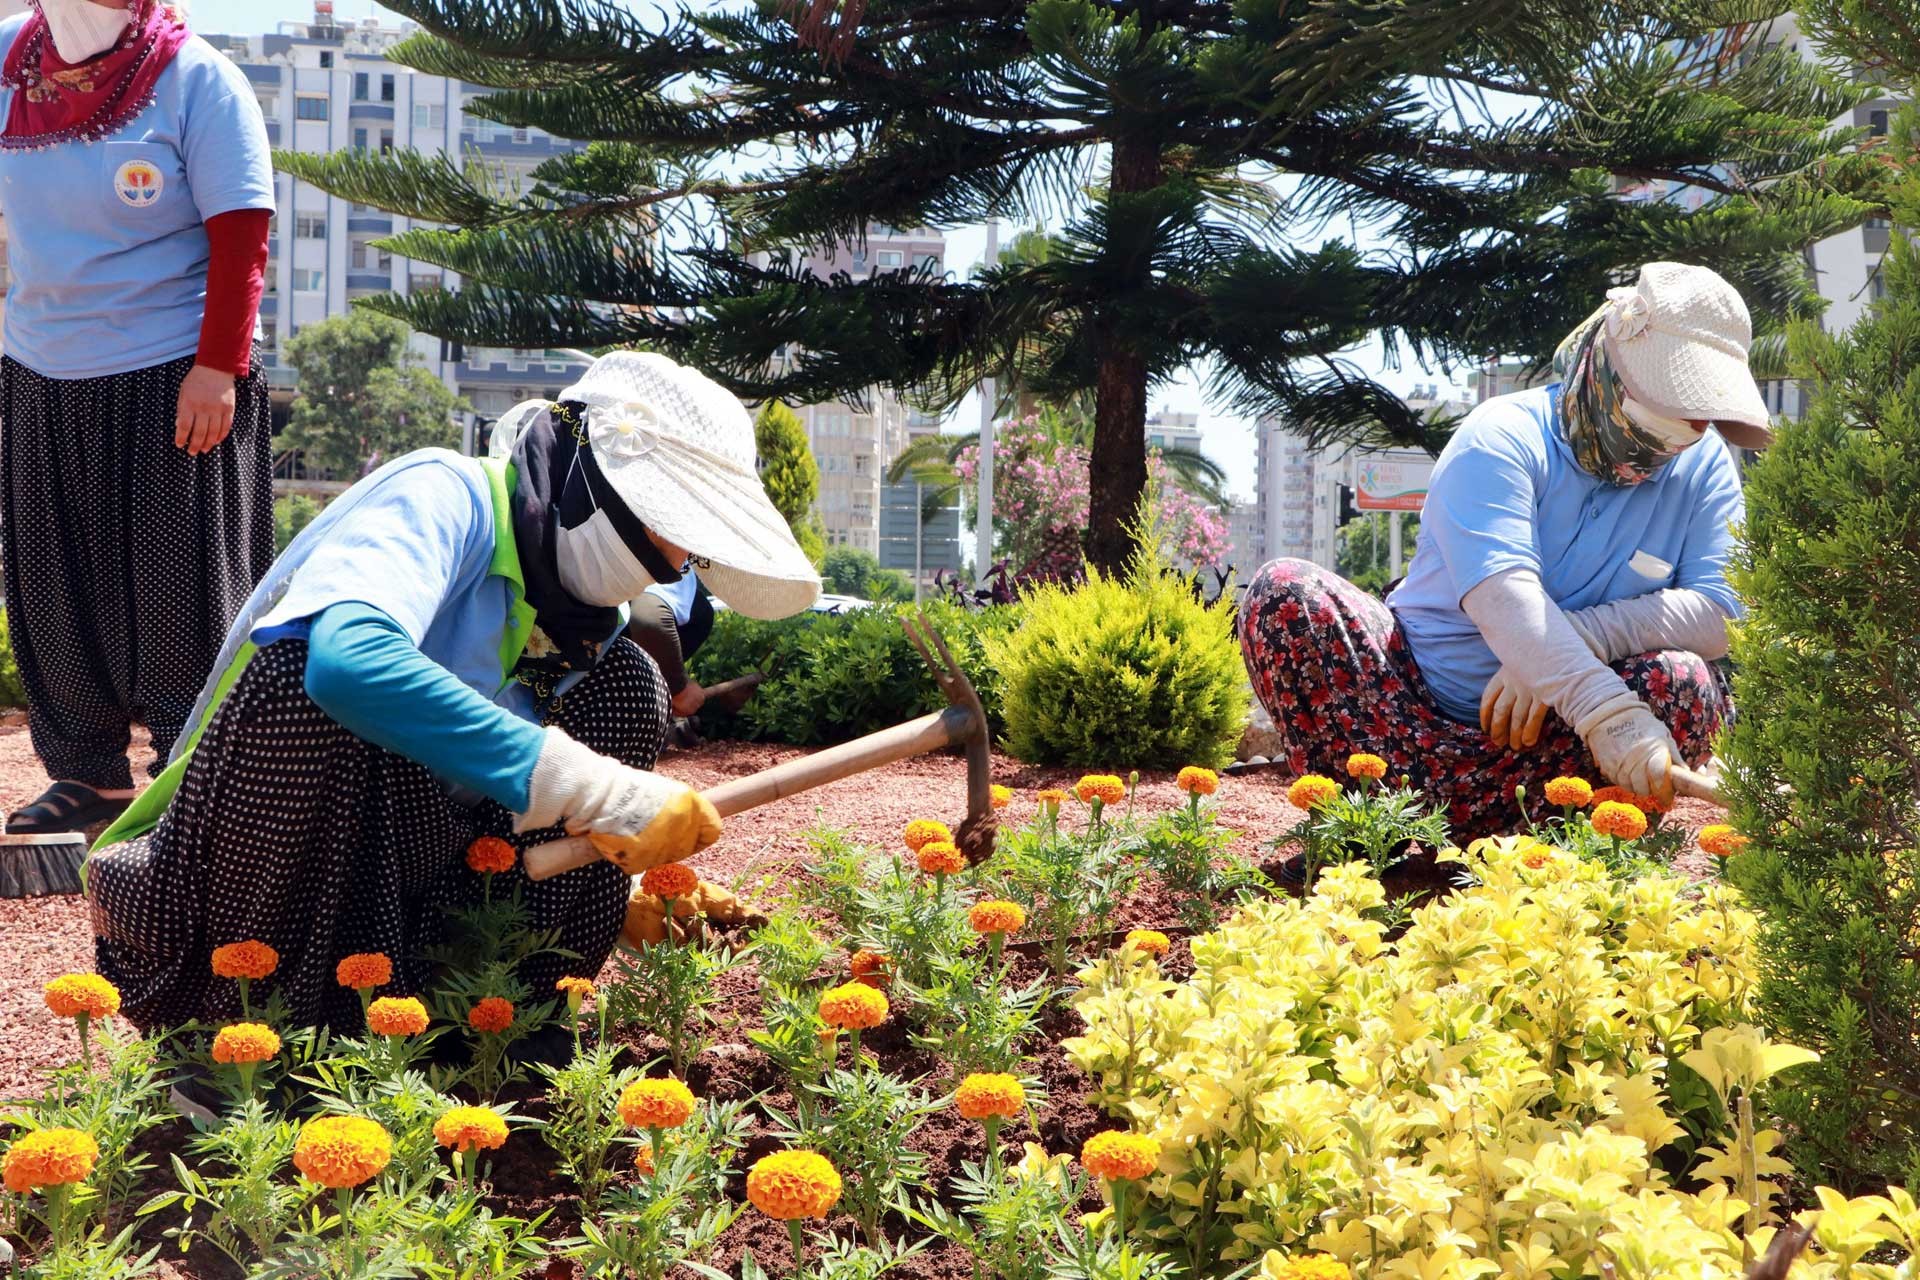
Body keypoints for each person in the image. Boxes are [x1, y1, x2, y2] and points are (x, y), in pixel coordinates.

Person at [85, 352, 821, 1048]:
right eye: (677, 531)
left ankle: (492, 1026)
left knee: (629, 688)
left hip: (391, 899)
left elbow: (475, 790)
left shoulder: (587, 631)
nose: (678, 562)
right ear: (599, 485)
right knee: (300, 677)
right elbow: (347, 665)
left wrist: (616, 870)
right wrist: (593, 788)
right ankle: (237, 1044)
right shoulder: (446, 495)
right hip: (202, 902)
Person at [1240, 262, 1768, 836]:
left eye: (1694, 420)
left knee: (1683, 680)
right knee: (1284, 594)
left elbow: (1726, 611)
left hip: (1552, 757)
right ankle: (1363, 833)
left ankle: (1564, 856)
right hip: (1404, 726)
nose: (1672, 438)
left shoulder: (1706, 466)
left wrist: (1574, 647)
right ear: (1608, 366)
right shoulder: (1502, 436)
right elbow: (1503, 597)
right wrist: (1605, 710)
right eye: (1660, 408)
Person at [0, 0, 274, 834]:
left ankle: (187, 775)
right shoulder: (10, 59)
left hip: (172, 373)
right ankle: (85, 775)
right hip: (40, 364)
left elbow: (243, 235)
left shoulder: (200, 79)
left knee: (179, 596)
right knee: (52, 588)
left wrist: (218, 368)